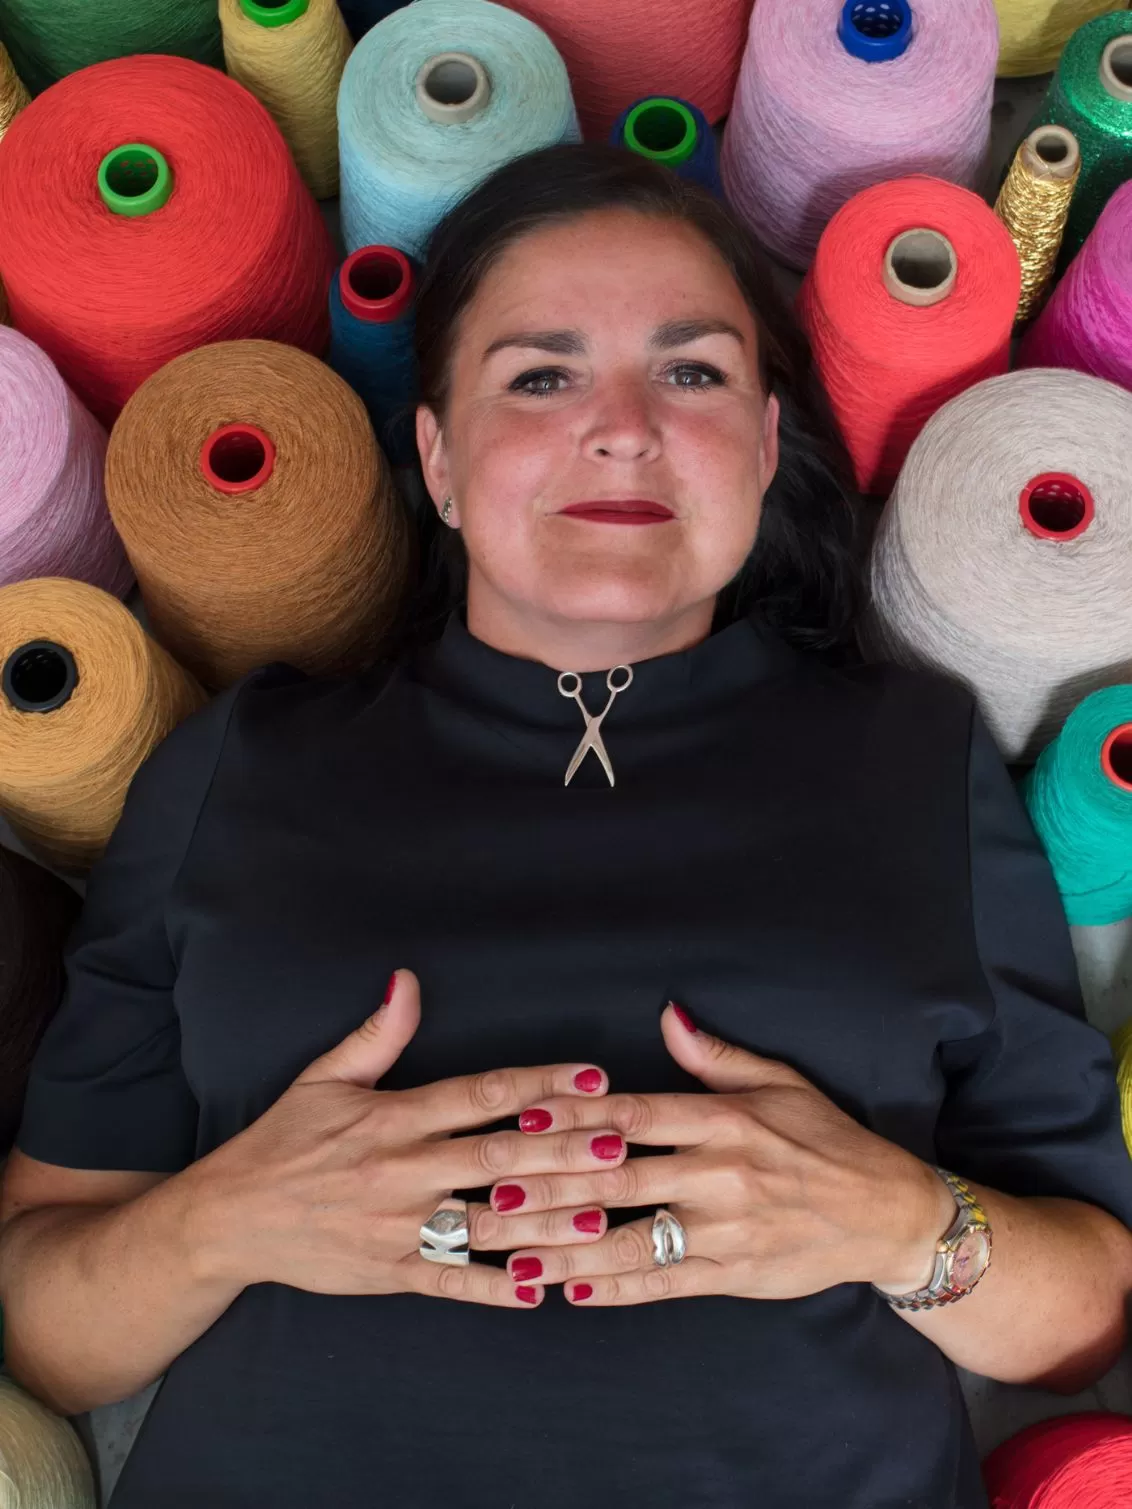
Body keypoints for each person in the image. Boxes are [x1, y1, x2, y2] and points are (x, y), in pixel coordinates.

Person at [2, 143, 1131, 1509]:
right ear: (437, 456)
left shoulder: (914, 759)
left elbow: (1084, 1322)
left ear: (769, 444)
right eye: (541, 374)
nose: (624, 427)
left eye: (693, 371)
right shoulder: (241, 765)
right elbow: (49, 1336)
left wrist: (897, 1222)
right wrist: (223, 1219)